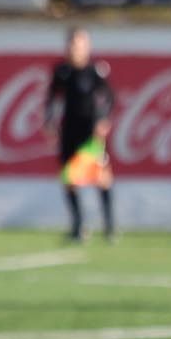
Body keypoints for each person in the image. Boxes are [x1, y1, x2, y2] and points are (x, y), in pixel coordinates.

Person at [43, 27, 115, 243]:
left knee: (101, 178)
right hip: (69, 130)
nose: (75, 48)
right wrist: (49, 121)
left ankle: (109, 226)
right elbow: (51, 97)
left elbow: (110, 98)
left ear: (87, 46)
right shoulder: (62, 71)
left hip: (90, 131)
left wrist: (103, 119)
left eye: (80, 43)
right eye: (72, 43)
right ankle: (78, 225)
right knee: (69, 178)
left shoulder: (95, 71)